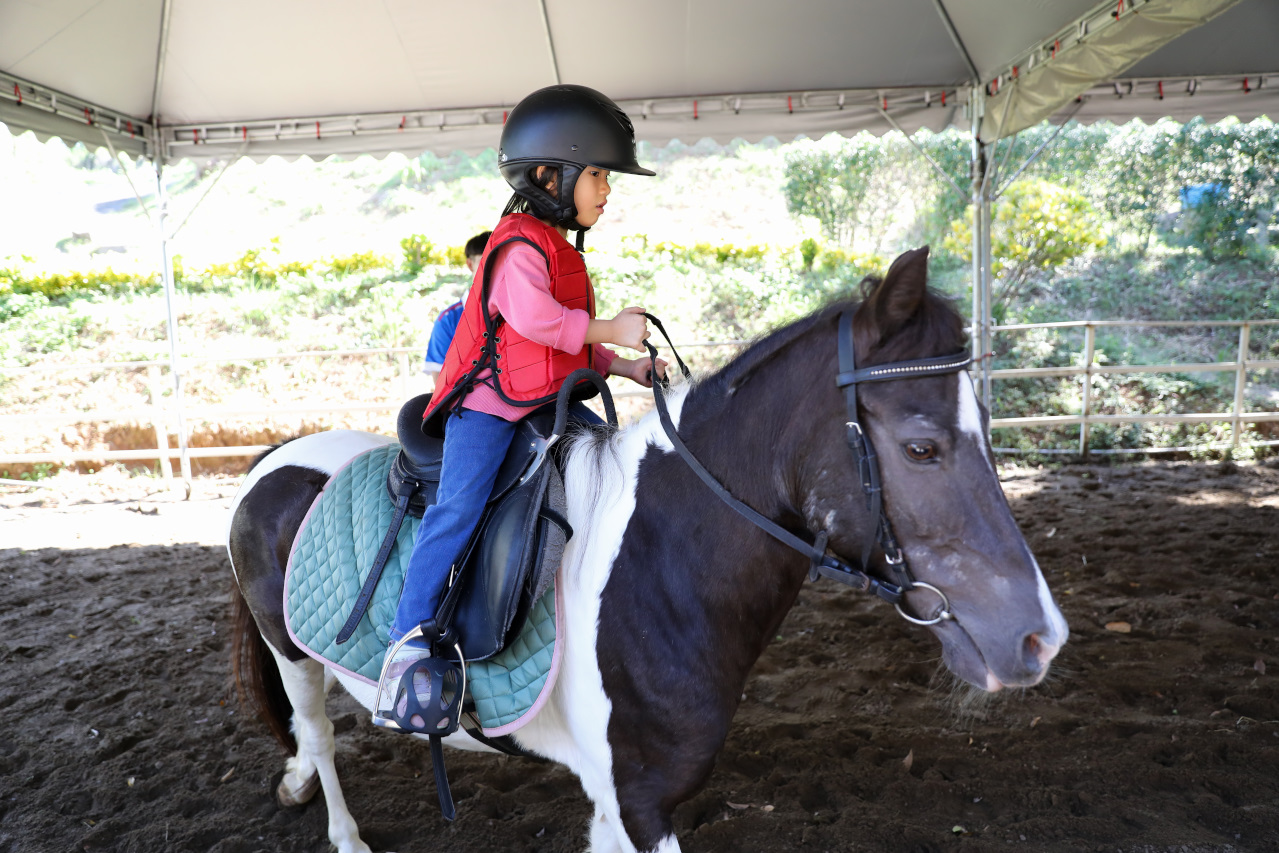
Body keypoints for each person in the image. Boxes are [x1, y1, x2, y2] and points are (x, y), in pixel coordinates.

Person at [374, 84, 667, 733]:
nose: (606, 190)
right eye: (596, 174)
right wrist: (611, 329)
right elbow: (538, 322)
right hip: (488, 408)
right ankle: (406, 644)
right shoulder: (516, 246)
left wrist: (629, 366)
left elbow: (569, 351)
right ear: (547, 175)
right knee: (457, 509)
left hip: (544, 404)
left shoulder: (559, 249)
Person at [422, 231, 491, 382]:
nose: (493, 268)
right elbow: (440, 380)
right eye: (486, 261)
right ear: (470, 264)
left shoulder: (516, 314)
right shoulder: (448, 320)